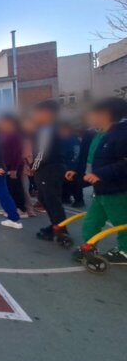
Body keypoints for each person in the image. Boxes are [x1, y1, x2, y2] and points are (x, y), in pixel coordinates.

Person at [71, 98, 127, 264]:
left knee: (121, 222)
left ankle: (125, 252)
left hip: (117, 191)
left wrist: (100, 174)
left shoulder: (122, 135)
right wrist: (76, 171)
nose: (89, 117)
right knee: (92, 221)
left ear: (106, 114)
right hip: (100, 189)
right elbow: (89, 159)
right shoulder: (99, 134)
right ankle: (89, 247)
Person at [30, 100, 66, 241]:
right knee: (45, 198)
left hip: (49, 169)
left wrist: (34, 166)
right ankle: (55, 225)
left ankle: (61, 230)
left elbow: (43, 152)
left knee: (52, 200)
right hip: (49, 168)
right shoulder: (47, 128)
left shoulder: (48, 129)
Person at [0, 114, 28, 219]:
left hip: (14, 165)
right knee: (8, 188)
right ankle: (10, 207)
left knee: (15, 187)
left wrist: (14, 168)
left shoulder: (15, 134)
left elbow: (17, 153)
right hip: (5, 165)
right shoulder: (2, 134)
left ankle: (21, 209)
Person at [58, 123, 81, 205]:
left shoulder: (73, 139)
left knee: (74, 183)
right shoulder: (62, 138)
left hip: (72, 164)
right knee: (65, 182)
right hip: (64, 163)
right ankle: (65, 198)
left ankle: (79, 200)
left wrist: (73, 163)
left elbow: (77, 152)